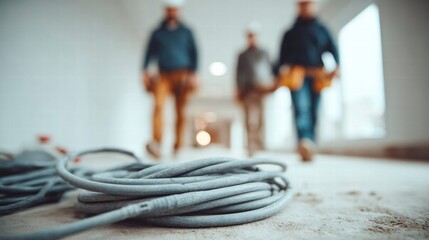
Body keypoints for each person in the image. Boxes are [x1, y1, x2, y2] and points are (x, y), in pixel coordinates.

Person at [276, 0, 339, 162]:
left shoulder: (322, 30)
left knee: (314, 110)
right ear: (298, 7)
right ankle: (304, 141)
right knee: (301, 108)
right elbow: (281, 57)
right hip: (297, 75)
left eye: (308, 3)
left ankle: (311, 143)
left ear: (314, 5)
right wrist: (279, 73)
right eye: (302, 4)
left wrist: (337, 65)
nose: (306, 6)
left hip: (317, 74)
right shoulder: (290, 32)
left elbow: (333, 49)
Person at [142, 0, 198, 159]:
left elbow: (195, 53)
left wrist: (194, 74)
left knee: (181, 111)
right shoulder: (157, 32)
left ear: (179, 10)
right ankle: (156, 143)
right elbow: (149, 52)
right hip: (163, 74)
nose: (172, 12)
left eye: (175, 9)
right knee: (158, 105)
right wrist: (144, 70)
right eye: (169, 9)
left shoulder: (187, 32)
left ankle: (177, 146)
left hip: (183, 74)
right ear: (165, 10)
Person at [236, 22, 276, 157]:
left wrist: (272, 84)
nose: (251, 38)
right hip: (247, 90)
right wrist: (238, 89)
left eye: (253, 36)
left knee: (261, 119)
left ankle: (260, 143)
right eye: (249, 36)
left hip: (262, 90)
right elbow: (238, 73)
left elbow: (271, 70)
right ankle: (250, 145)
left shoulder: (264, 52)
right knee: (249, 119)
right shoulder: (242, 55)